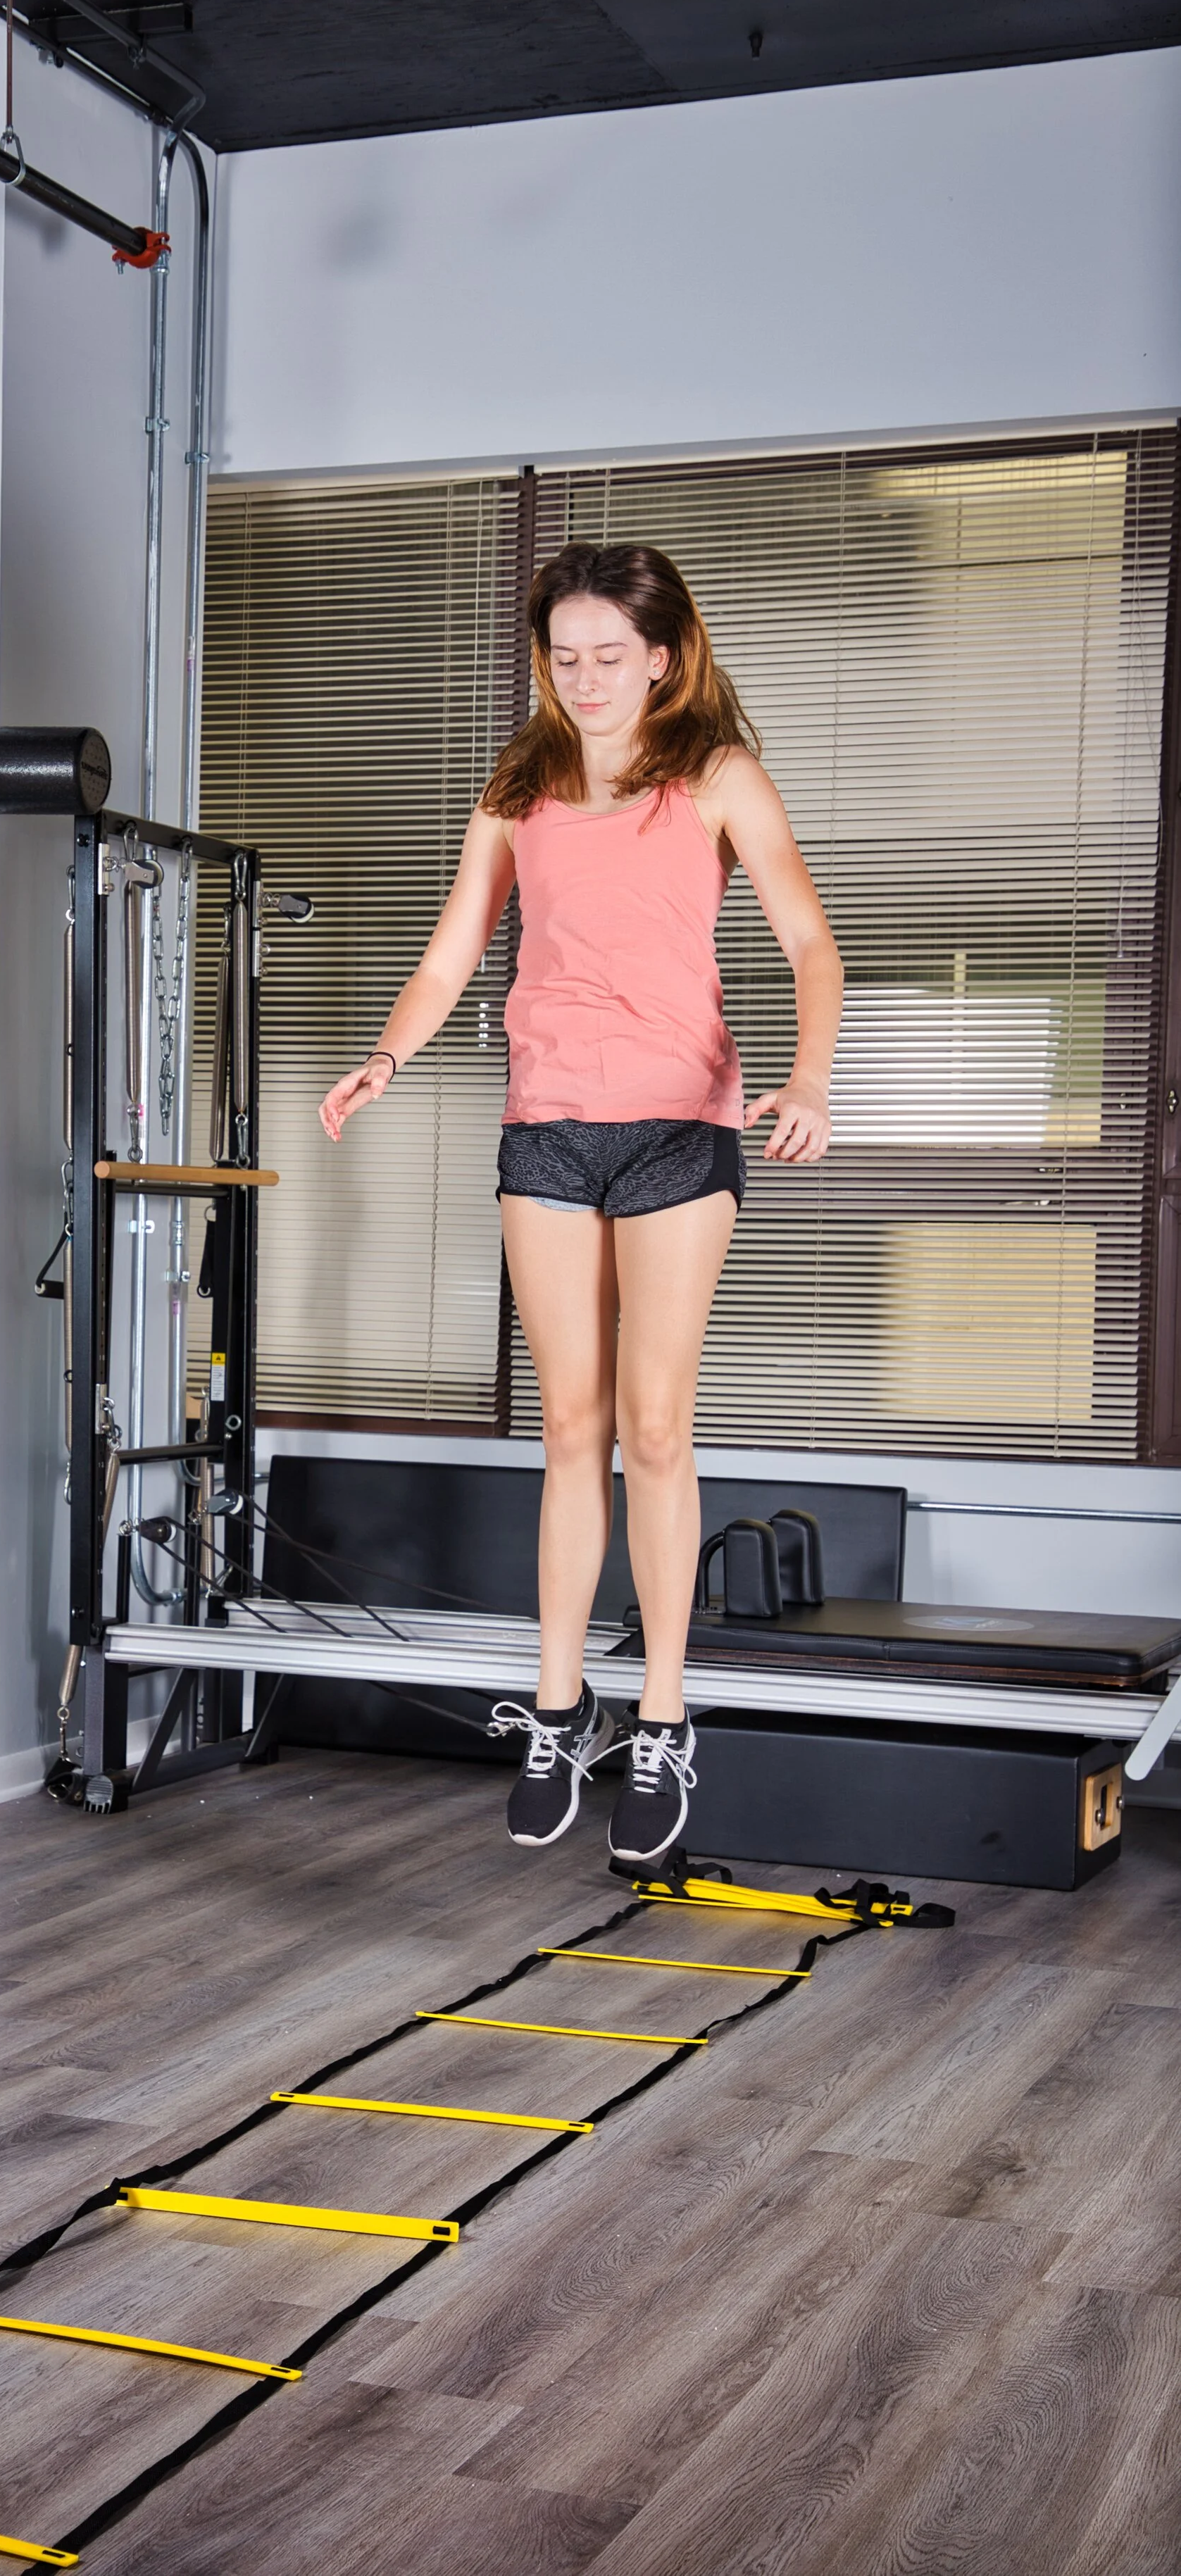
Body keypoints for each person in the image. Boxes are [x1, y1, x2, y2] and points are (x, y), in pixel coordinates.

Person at [320, 544, 840, 1865]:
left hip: (680, 1128)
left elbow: (808, 940)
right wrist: (387, 1053)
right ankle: (559, 1709)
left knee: (656, 1425)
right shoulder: (517, 787)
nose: (589, 677)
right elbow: (454, 948)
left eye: (614, 654)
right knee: (570, 1424)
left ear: (662, 656)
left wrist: (810, 1075)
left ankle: (663, 1714)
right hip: (547, 1129)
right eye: (567, 655)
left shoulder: (716, 776)